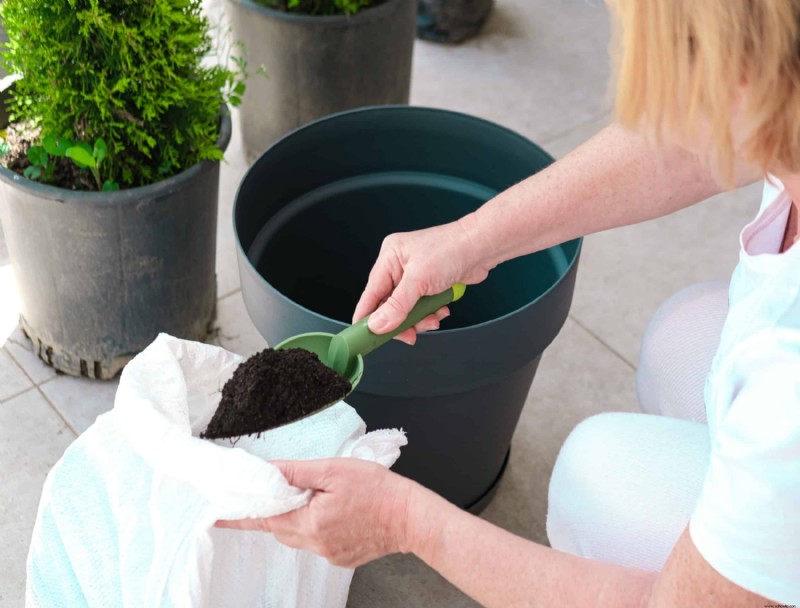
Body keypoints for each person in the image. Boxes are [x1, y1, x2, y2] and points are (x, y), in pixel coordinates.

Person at [218, 1, 800, 605]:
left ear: (745, 71)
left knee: (595, 476)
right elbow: (694, 133)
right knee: (683, 340)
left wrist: (406, 522)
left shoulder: (789, 373)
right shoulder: (785, 103)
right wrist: (472, 239)